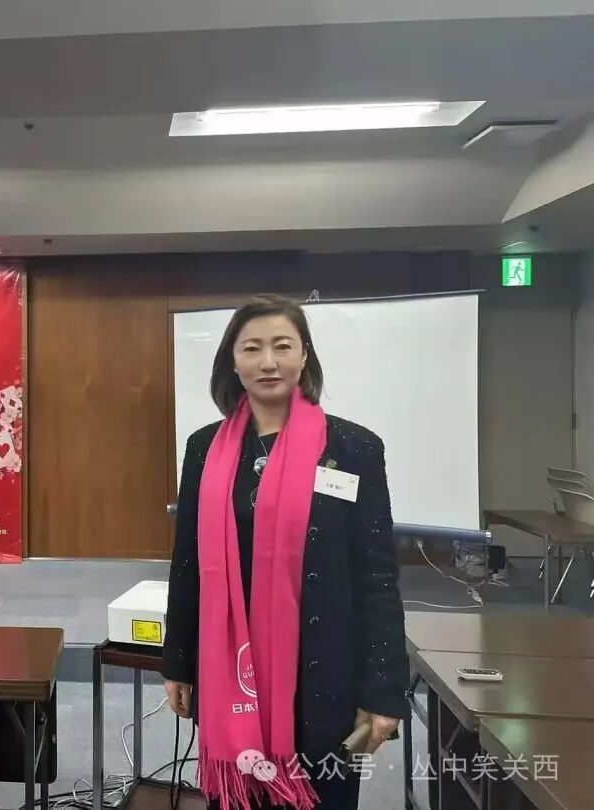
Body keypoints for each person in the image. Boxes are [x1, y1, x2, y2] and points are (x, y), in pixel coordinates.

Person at [162, 294, 408, 810]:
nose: (268, 362)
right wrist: (178, 661)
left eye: (282, 346)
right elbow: (188, 563)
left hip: (323, 675)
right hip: (230, 670)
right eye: (252, 348)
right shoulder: (204, 447)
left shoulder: (354, 449)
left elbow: (377, 577)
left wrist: (383, 692)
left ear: (304, 355)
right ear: (233, 360)